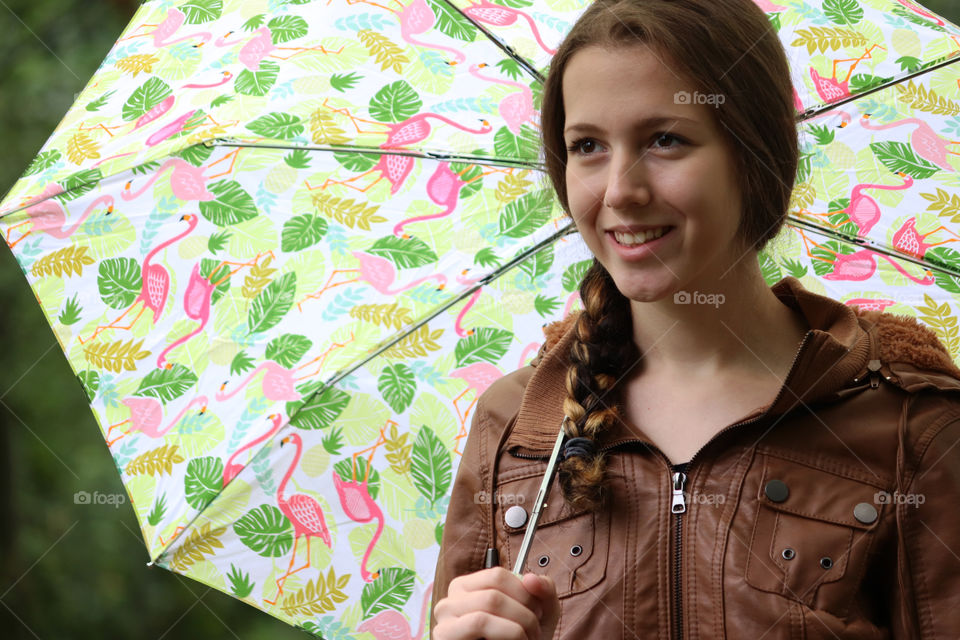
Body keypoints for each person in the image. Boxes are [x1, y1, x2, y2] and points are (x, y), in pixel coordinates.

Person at [430, 0, 960, 637]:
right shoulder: (517, 431)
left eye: (665, 140)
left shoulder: (911, 427)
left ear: (753, 156)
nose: (621, 190)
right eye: (588, 145)